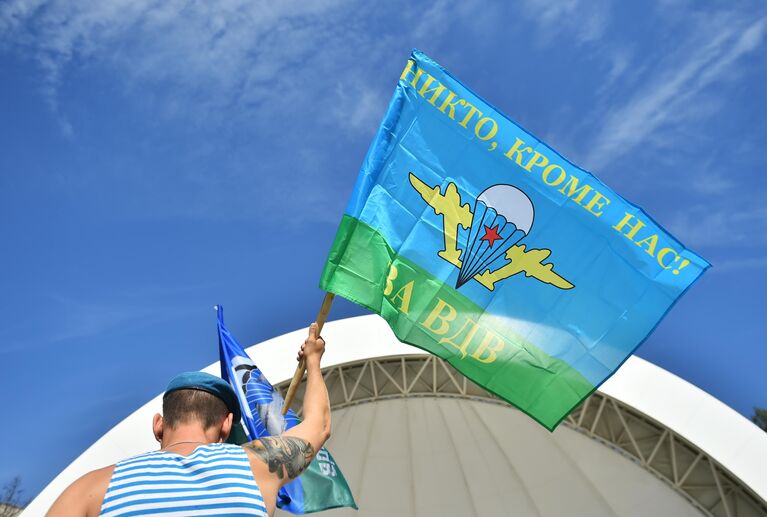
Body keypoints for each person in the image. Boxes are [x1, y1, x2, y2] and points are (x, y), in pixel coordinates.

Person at [47, 323, 330, 517]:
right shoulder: (255, 467)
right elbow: (319, 425)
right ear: (226, 425)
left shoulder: (92, 487)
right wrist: (313, 362)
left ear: (158, 424)